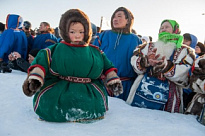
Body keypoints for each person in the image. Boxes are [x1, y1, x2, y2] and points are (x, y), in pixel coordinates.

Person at [22, 9, 123, 122]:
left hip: (89, 93)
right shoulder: (55, 49)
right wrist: (36, 78)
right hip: (59, 89)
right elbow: (41, 63)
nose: (77, 35)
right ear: (65, 31)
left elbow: (108, 67)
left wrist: (113, 80)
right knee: (49, 104)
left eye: (81, 32)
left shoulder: (96, 51)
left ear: (87, 32)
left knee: (92, 106)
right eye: (72, 32)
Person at [127, 19, 195, 113]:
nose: (163, 29)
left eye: (167, 27)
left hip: (171, 96)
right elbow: (134, 62)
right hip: (141, 91)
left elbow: (187, 76)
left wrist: (167, 67)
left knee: (163, 125)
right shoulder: (147, 46)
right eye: (161, 27)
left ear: (175, 30)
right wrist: (145, 61)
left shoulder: (186, 51)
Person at [93, 7, 142, 101]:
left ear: (128, 20)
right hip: (103, 82)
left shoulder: (136, 40)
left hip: (125, 85)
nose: (115, 19)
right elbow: (94, 55)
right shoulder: (103, 35)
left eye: (119, 16)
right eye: (114, 17)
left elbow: (139, 64)